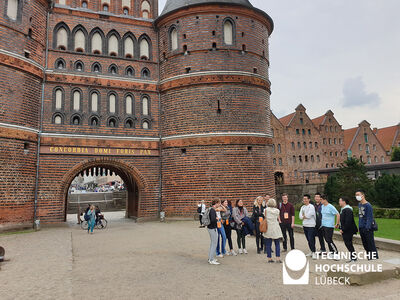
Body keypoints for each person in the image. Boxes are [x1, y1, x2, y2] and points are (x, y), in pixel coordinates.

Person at [356, 190, 379, 260]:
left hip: (367, 228)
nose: (357, 196)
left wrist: (367, 228)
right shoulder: (360, 204)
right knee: (365, 244)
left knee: (370, 243)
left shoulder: (368, 205)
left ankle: (374, 257)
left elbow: (369, 217)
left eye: (358, 194)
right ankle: (369, 256)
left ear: (363, 195)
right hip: (361, 227)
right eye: (356, 195)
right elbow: (360, 217)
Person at [320, 194, 340, 259]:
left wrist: (337, 224)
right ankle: (332, 253)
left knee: (329, 240)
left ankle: (336, 253)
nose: (320, 201)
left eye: (321, 199)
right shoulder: (322, 206)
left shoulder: (331, 206)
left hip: (329, 226)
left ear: (325, 200)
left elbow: (337, 214)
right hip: (323, 226)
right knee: (327, 240)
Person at [339, 197, 358, 263]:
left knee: (349, 244)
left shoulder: (347, 210)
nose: (339, 202)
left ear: (344, 202)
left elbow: (348, 221)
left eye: (340, 201)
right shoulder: (343, 209)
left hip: (348, 230)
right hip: (346, 230)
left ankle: (354, 258)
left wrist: (343, 229)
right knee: (348, 244)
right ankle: (353, 257)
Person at [263, 198, 283, 263]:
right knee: (277, 243)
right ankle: (278, 258)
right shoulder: (277, 210)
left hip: (268, 227)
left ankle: (269, 258)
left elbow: (264, 216)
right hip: (275, 227)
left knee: (268, 244)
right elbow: (278, 218)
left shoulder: (265, 210)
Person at [299, 194, 317, 259]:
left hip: (311, 225)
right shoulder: (302, 207)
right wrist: (304, 216)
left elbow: (309, 215)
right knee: (308, 239)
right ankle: (311, 251)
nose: (304, 200)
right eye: (303, 199)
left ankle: (314, 252)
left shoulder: (311, 206)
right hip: (305, 225)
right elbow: (300, 217)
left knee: (311, 238)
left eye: (306, 199)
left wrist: (304, 216)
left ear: (309, 199)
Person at [207, 200, 220, 265]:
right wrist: (217, 218)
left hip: (211, 228)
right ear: (216, 203)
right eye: (219, 203)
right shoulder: (212, 210)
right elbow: (212, 220)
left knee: (213, 243)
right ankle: (211, 259)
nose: (219, 204)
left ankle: (211, 257)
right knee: (214, 243)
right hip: (212, 228)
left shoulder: (211, 209)